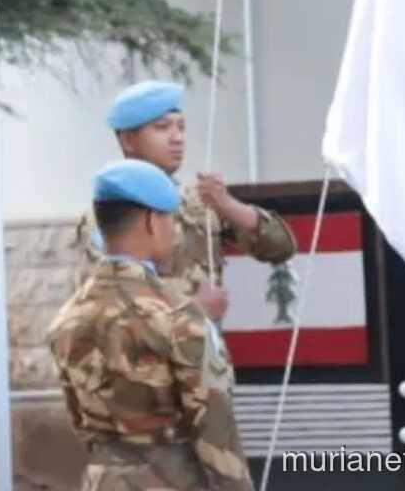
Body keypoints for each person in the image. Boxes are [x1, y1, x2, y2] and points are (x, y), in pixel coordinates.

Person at [49, 159, 253, 490]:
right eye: (169, 219)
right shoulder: (179, 318)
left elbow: (80, 423)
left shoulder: (66, 319)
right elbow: (217, 437)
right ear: (151, 221)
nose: (173, 230)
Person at [75, 79, 298, 321]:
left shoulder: (200, 202)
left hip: (204, 343)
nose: (177, 138)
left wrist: (227, 205)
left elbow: (280, 248)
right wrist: (194, 308)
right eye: (162, 127)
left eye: (181, 127)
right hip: (153, 343)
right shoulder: (110, 214)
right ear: (128, 140)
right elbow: (112, 301)